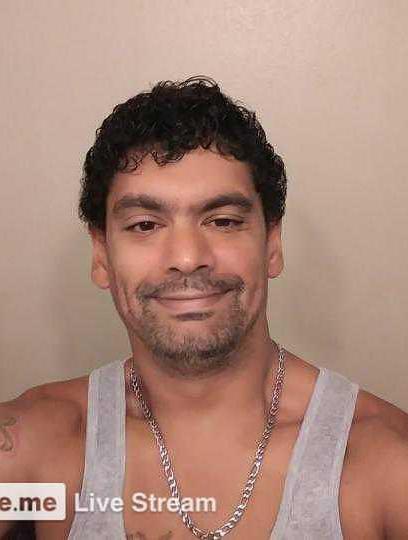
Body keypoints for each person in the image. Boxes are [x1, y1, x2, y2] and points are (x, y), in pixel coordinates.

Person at [1, 77, 408, 540]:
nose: (187, 256)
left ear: (272, 245)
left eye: (223, 221)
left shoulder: (385, 463)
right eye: (145, 225)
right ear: (101, 256)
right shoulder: (38, 456)